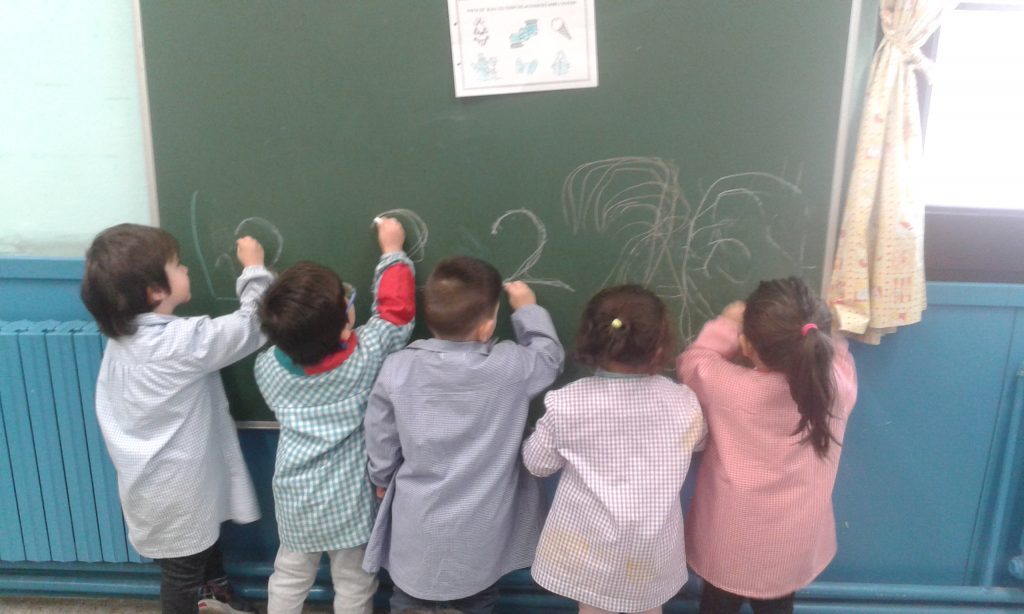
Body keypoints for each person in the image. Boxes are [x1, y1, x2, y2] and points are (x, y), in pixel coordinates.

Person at [80, 223, 270, 614]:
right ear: (155, 291)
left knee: (200, 544)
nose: (186, 269)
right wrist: (254, 269)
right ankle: (198, 599)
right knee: (183, 572)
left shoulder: (122, 341)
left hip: (156, 486)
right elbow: (253, 324)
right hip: (177, 490)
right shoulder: (180, 342)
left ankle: (215, 595)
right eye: (178, 265)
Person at [361, 256, 564, 614]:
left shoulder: (398, 368)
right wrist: (528, 311)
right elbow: (549, 359)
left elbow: (380, 433)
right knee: (478, 599)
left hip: (418, 523)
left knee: (410, 600)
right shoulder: (511, 366)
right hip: (483, 530)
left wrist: (381, 476)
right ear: (487, 326)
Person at [253, 217, 415, 614]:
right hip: (351, 501)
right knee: (355, 584)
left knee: (289, 576)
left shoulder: (267, 369)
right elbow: (396, 314)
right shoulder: (366, 357)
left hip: (297, 497)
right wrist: (393, 253)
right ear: (344, 329)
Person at [677, 277, 858, 614]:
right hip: (790, 546)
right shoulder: (835, 388)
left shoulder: (727, 387)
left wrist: (727, 324)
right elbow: (837, 356)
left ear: (747, 345)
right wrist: (820, 329)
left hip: (727, 543)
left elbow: (693, 362)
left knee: (716, 605)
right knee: (778, 606)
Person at [522, 284, 706, 614]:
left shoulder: (568, 404)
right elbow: (699, 440)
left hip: (589, 553)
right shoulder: (682, 402)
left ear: (592, 341)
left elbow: (537, 464)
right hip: (651, 554)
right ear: (660, 347)